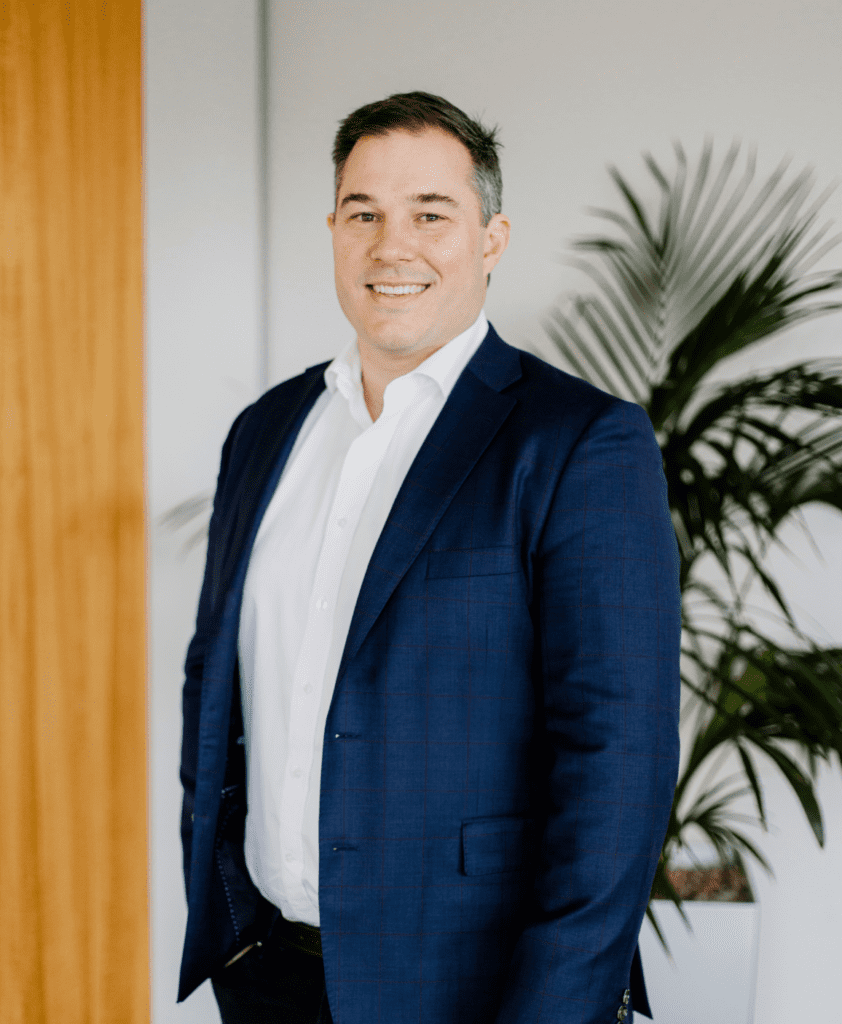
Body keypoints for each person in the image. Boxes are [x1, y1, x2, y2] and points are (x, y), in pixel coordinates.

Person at [177, 91, 681, 1024]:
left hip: (477, 988)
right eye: (363, 213)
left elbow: (619, 765)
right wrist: (227, 915)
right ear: (332, 228)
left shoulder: (578, 442)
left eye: (430, 215)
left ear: (491, 238)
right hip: (269, 973)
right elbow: (216, 685)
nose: (390, 245)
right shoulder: (265, 433)